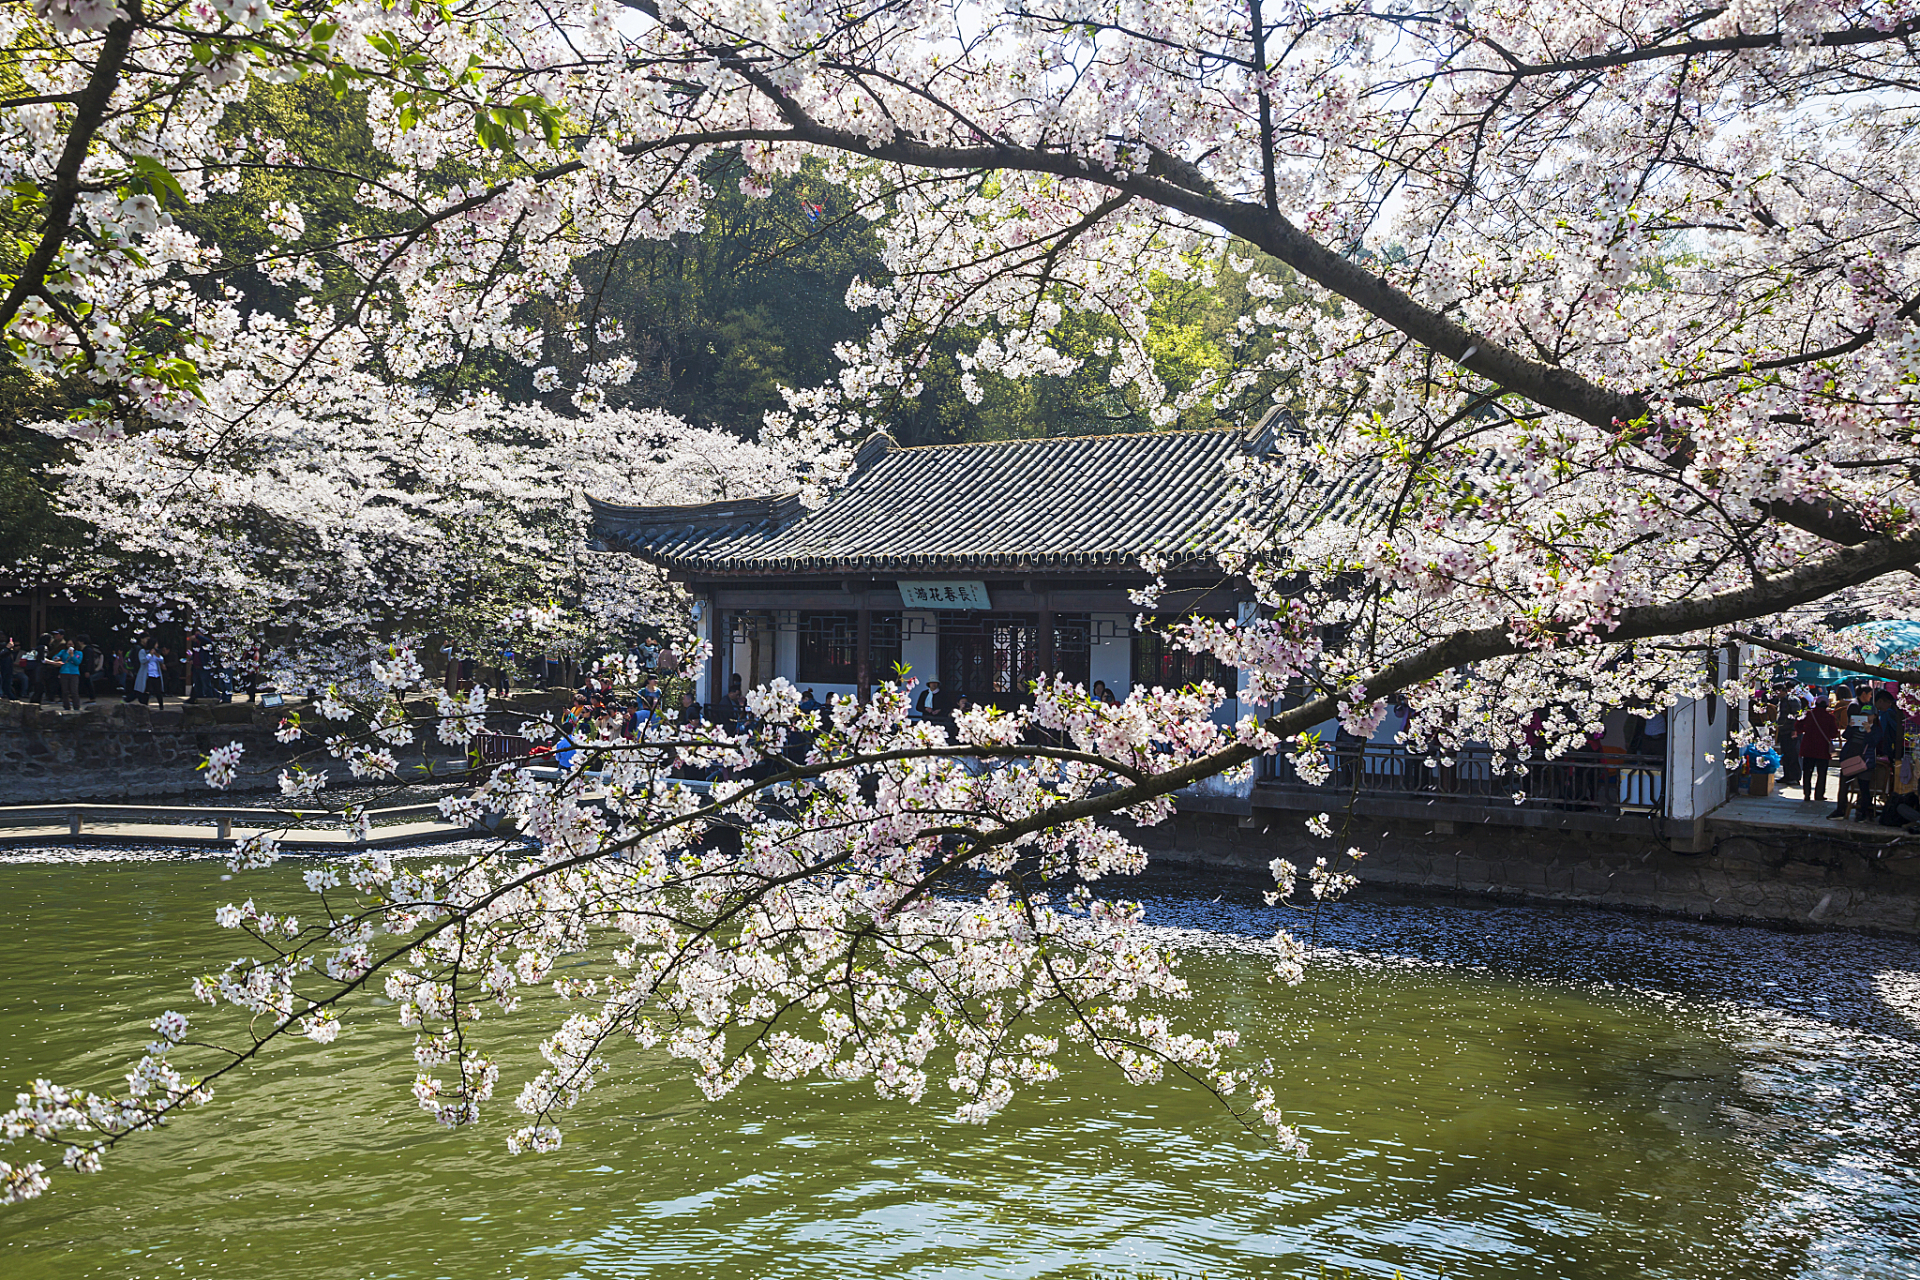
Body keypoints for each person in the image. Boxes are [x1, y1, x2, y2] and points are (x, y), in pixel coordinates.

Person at [1798, 695, 1839, 803]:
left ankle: (1806, 794)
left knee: (1807, 772)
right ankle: (1819, 794)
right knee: (1822, 773)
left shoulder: (1809, 715)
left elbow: (1798, 726)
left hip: (1808, 747)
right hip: (1823, 749)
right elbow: (1834, 733)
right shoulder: (1830, 718)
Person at [53, 634, 83, 710]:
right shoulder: (63, 652)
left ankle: (76, 706)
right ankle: (66, 706)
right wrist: (56, 658)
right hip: (64, 672)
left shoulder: (79, 653)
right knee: (65, 691)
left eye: (71, 644)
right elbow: (55, 657)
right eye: (68, 644)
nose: (70, 646)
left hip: (74, 673)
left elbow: (77, 662)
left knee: (74, 691)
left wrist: (72, 655)